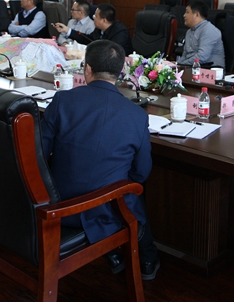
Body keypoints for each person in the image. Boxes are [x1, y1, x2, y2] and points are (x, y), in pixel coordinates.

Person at [40, 39, 160, 280]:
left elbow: (39, 153)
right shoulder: (137, 115)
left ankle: (113, 254)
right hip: (108, 209)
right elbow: (140, 173)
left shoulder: (63, 100)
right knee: (132, 191)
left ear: (87, 69)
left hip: (58, 203)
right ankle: (145, 261)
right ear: (121, 72)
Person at [54, 3, 133, 55]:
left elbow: (110, 52)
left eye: (95, 16)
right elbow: (87, 39)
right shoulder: (99, 29)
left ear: (104, 20)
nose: (93, 18)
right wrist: (67, 30)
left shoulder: (120, 32)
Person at [177, 1, 225, 67]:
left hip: (209, 68)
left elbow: (202, 57)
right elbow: (185, 55)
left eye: (187, 12)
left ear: (196, 15)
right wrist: (176, 65)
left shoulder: (209, 30)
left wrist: (182, 64)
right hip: (191, 67)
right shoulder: (189, 32)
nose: (184, 15)